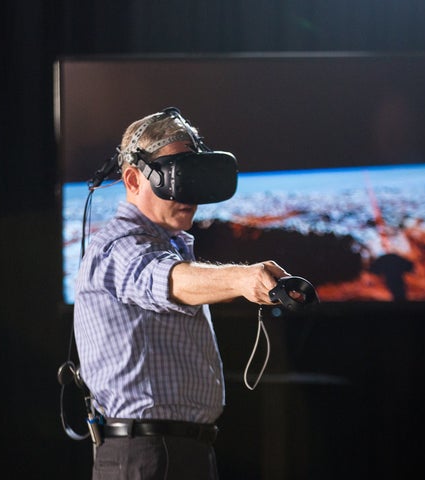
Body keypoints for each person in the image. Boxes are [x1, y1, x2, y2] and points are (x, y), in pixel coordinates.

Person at [73, 109, 291, 479]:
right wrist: (243, 279)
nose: (186, 192)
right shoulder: (118, 246)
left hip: (177, 451)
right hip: (146, 455)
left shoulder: (167, 244)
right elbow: (164, 279)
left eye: (191, 176)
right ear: (132, 179)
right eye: (173, 176)